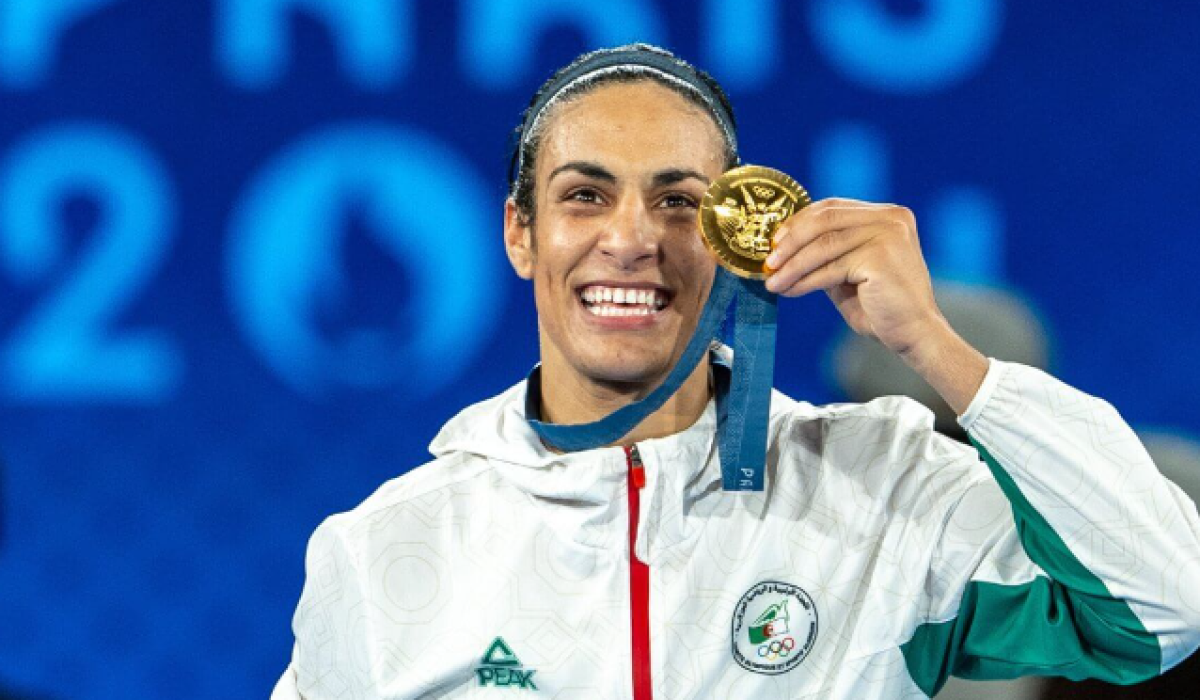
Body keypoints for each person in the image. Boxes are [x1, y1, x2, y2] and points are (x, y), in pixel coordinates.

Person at [272, 44, 1200, 699]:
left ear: (729, 240)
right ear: (522, 233)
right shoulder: (385, 551)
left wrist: (936, 348)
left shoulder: (886, 492)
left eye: (679, 202)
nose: (631, 239)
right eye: (585, 195)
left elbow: (1165, 604)